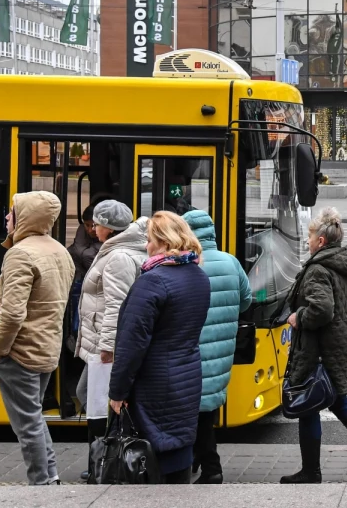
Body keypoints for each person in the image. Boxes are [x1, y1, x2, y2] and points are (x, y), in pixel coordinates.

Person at [280, 207, 347, 485]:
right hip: (342, 342)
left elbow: (322, 310)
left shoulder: (319, 268)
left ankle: (311, 471)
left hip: (321, 347)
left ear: (321, 241)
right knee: (336, 398)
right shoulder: (346, 262)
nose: (307, 242)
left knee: (308, 401)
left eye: (309, 237)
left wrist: (297, 317)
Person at [109, 211, 210, 484]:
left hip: (153, 382)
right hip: (186, 377)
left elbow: (132, 343)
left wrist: (117, 391)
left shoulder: (153, 280)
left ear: (165, 242)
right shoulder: (198, 275)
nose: (146, 246)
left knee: (151, 461)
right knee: (179, 452)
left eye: (150, 239)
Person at [0, 191, 75, 486]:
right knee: (34, 417)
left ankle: (41, 485)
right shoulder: (59, 250)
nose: (8, 217)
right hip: (46, 348)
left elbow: (13, 317)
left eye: (13, 211)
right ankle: (51, 476)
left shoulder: (20, 253)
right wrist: (4, 300)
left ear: (27, 216)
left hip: (21, 351)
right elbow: (46, 298)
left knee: (27, 424)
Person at [74, 200, 147, 481]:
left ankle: (105, 463)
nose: (93, 228)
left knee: (98, 404)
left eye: (96, 223)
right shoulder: (119, 250)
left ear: (107, 226)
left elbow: (116, 305)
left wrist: (107, 347)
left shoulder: (118, 257)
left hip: (106, 346)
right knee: (89, 396)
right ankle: (104, 459)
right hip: (100, 342)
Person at [183, 209, 253, 485]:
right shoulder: (230, 261)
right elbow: (246, 300)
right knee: (207, 407)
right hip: (223, 346)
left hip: (194, 346)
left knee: (195, 410)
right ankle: (197, 458)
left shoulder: (189, 263)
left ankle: (211, 468)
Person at [59, 206, 101, 419]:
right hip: (80, 291)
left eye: (94, 225)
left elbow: (83, 256)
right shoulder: (82, 235)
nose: (91, 230)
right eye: (87, 226)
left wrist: (83, 254)